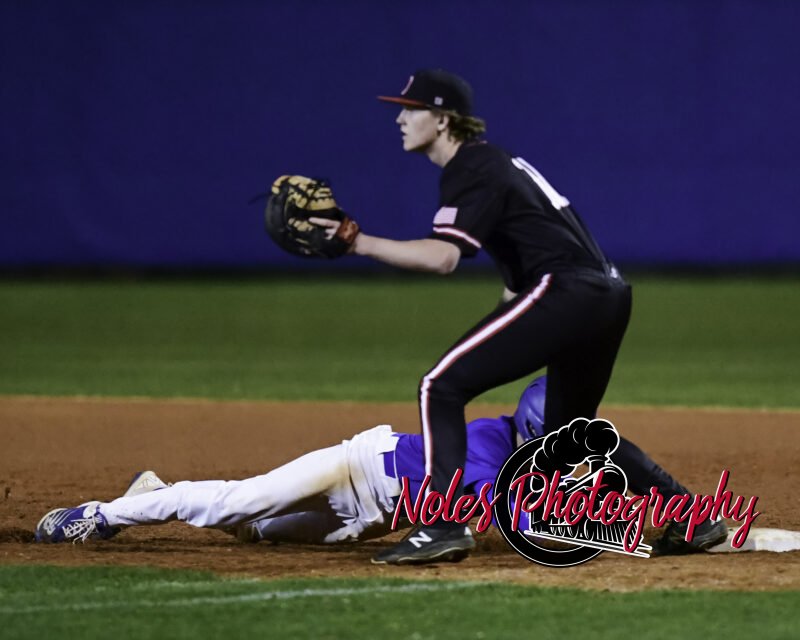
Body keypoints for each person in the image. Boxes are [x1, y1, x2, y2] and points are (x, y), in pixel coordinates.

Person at [313, 68, 638, 564]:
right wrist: (490, 342)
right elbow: (515, 286)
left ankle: (441, 524)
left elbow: (444, 258)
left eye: (411, 109)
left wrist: (359, 243)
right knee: (570, 432)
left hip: (568, 289)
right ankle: (692, 516)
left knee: (439, 385)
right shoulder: (495, 165)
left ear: (442, 119)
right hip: (609, 294)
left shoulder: (471, 165)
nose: (400, 119)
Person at [34, 376, 727, 559]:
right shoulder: (490, 454)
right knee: (233, 504)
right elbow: (529, 524)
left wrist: (661, 512)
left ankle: (157, 495)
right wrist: (628, 538)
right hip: (356, 468)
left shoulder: (535, 454)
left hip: (370, 518)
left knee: (252, 534)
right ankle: (98, 515)